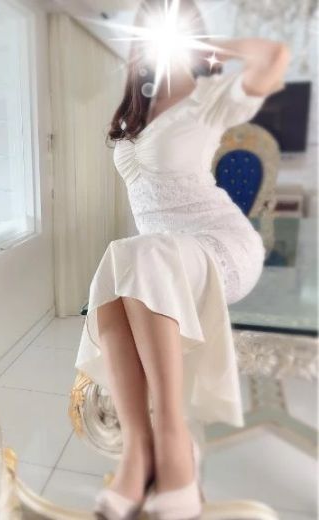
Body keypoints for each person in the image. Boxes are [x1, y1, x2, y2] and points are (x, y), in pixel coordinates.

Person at [73, 1, 290, 519]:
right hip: (162, 254)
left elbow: (275, 57)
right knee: (121, 259)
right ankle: (138, 449)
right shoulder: (134, 108)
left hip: (220, 243)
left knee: (140, 254)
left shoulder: (210, 97)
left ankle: (174, 446)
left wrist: (208, 49)